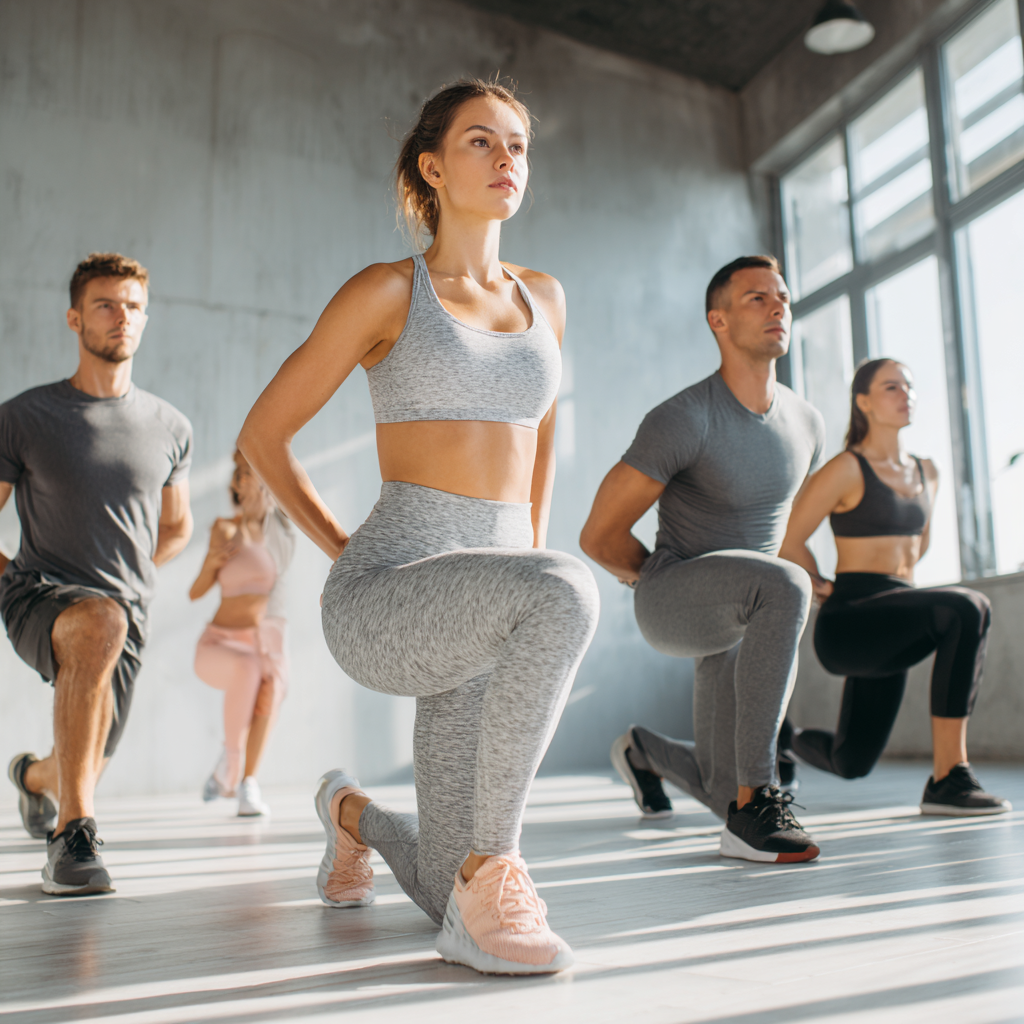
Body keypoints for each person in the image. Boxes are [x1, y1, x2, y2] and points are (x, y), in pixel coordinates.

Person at [237, 79, 598, 975]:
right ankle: (491, 873)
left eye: (518, 142)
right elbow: (262, 436)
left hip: (490, 600)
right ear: (433, 167)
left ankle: (351, 816)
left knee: (434, 891)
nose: (507, 157)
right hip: (387, 595)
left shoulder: (545, 300)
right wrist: (343, 546)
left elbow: (543, 443)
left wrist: (520, 578)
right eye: (482, 141)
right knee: (567, 589)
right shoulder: (388, 292)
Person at [580, 255, 824, 865]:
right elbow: (600, 535)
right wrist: (667, 582)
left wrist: (798, 581)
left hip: (749, 608)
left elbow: (779, 531)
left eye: (783, 298)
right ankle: (760, 799)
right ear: (717, 320)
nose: (776, 307)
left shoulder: (808, 422)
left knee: (720, 788)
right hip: (674, 597)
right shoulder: (684, 418)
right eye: (756, 299)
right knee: (783, 586)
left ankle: (643, 750)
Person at [1, 253, 193, 895]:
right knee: (97, 623)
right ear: (75, 317)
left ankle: (31, 778)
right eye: (107, 305)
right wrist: (9, 578)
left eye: (133, 305)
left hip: (124, 613)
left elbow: (176, 528)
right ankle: (71, 838)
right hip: (40, 595)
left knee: (82, 761)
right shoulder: (24, 417)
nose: (122, 317)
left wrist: (140, 574)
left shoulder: (171, 426)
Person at [778, 358, 1010, 815]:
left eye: (909, 386)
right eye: (891, 387)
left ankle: (784, 740)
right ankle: (949, 778)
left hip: (894, 613)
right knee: (969, 607)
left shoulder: (928, 472)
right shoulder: (848, 467)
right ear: (863, 402)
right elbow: (787, 538)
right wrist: (823, 586)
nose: (906, 394)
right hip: (850, 621)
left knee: (851, 762)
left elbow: (916, 549)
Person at [189, 450, 296, 817]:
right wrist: (214, 563)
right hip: (218, 643)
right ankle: (232, 768)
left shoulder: (278, 532)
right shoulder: (224, 529)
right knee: (250, 667)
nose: (239, 479)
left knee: (271, 683)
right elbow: (195, 591)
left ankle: (246, 783)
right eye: (237, 473)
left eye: (246, 472)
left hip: (259, 643)